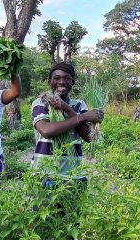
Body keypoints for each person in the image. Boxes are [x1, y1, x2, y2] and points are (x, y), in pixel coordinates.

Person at [31, 62, 104, 237]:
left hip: (73, 177)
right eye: (56, 78)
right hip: (44, 174)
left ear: (73, 82)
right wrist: (84, 116)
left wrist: (68, 109)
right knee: (41, 228)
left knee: (69, 227)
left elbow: (88, 136)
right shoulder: (41, 102)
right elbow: (47, 131)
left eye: (67, 78)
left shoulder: (80, 105)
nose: (61, 82)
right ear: (49, 81)